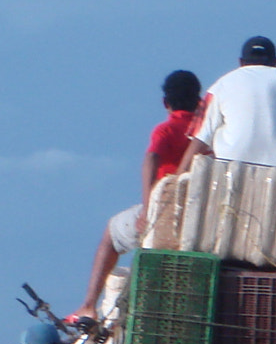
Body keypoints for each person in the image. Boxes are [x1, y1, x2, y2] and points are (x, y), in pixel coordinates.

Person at [69, 70, 203, 321]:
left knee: (110, 233)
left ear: (166, 103)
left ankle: (88, 305)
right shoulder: (205, 134)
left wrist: (147, 206)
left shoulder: (166, 129)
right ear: (199, 102)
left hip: (166, 215)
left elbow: (151, 159)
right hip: (198, 216)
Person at [177, 36, 276, 174]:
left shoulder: (220, 85)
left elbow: (201, 138)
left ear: (241, 62)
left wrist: (179, 176)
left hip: (232, 166)